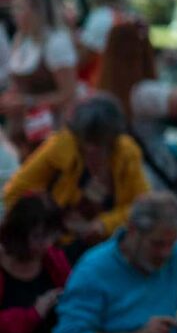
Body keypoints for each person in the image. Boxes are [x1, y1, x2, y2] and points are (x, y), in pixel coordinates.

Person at [52, 192, 177, 333]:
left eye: (171, 243)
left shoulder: (176, 257)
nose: (165, 253)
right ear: (133, 230)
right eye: (157, 244)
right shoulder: (94, 269)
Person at [4, 95, 150, 250]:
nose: (92, 148)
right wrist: (46, 227)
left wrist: (103, 225)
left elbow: (143, 207)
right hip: (58, 245)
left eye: (100, 141)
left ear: (114, 138)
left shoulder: (127, 153)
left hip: (112, 244)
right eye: (87, 140)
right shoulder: (61, 147)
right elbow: (14, 192)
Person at [0, 0, 77, 154]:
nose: (14, 13)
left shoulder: (56, 42)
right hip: (21, 135)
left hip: (50, 133)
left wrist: (28, 101)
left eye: (20, 7)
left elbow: (68, 94)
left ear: (37, 10)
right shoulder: (21, 39)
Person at [0, 195, 69, 333]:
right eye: (38, 236)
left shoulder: (53, 260)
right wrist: (33, 314)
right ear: (19, 233)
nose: (46, 244)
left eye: (51, 235)